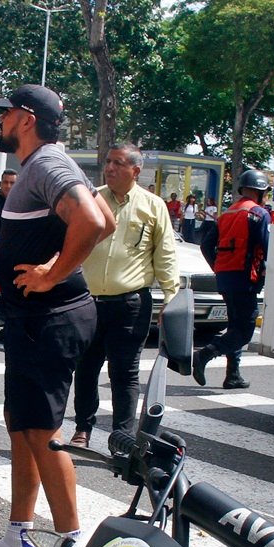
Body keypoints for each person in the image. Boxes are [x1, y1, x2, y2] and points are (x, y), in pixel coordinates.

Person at [0, 84, 114, 547]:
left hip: (52, 316)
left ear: (24, 119)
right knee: (19, 423)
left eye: (4, 115)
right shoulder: (42, 165)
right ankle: (17, 536)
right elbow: (106, 219)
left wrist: (51, 272)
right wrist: (52, 263)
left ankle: (70, 545)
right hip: (35, 319)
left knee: (42, 430)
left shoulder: (46, 163)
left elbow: (92, 221)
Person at [70, 144, 178, 449]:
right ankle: (83, 429)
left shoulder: (153, 205)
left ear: (135, 171)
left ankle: (122, 436)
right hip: (88, 302)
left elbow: (165, 253)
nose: (111, 168)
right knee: (86, 368)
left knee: (125, 372)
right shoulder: (92, 199)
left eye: (118, 163)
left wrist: (171, 296)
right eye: (108, 162)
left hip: (130, 303)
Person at [193, 169, 270, 391]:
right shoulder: (258, 214)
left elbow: (206, 245)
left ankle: (233, 375)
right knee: (245, 330)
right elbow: (267, 248)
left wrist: (219, 267)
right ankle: (204, 355)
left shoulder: (227, 214)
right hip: (245, 277)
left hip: (226, 278)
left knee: (235, 326)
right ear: (260, 192)